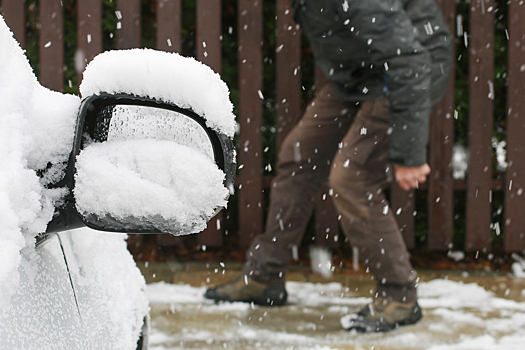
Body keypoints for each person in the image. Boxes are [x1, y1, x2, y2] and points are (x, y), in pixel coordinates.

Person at [205, 0, 453, 333]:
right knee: (299, 155)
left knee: (352, 177)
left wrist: (409, 156)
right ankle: (265, 277)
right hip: (361, 72)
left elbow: (409, 60)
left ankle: (400, 296)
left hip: (406, 72)